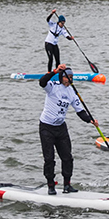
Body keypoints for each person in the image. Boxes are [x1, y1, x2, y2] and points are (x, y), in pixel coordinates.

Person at [37, 64, 84, 193]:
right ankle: (51, 185)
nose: (70, 80)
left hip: (61, 128)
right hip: (46, 127)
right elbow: (42, 82)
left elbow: (80, 111)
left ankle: (67, 185)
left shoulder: (72, 92)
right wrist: (54, 71)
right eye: (68, 77)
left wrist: (90, 120)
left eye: (72, 77)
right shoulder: (52, 87)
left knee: (67, 157)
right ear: (62, 77)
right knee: (49, 159)